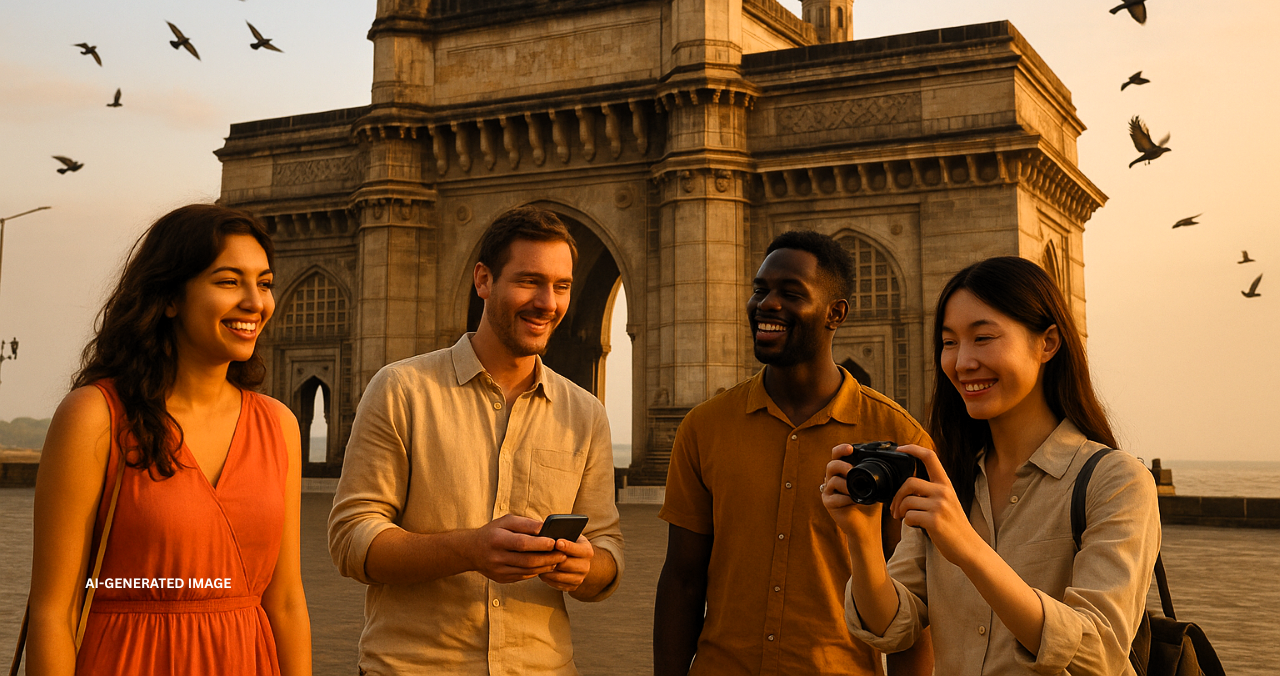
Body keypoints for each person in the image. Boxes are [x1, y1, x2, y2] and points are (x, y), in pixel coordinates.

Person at [824, 256, 1161, 675]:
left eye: (983, 338)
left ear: (1048, 343)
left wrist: (967, 547)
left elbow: (1099, 654)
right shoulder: (947, 479)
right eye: (949, 342)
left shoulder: (1115, 481)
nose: (962, 362)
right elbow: (892, 627)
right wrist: (861, 537)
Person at [328, 205, 623, 675]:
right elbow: (351, 539)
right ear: (483, 280)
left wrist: (584, 567)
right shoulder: (403, 390)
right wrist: (467, 550)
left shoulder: (585, 415)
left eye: (561, 286)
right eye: (529, 281)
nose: (548, 302)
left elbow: (608, 551)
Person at [26, 204, 311, 676]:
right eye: (228, 281)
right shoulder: (96, 416)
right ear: (171, 295)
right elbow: (52, 612)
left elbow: (285, 601)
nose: (255, 302)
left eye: (264, 282)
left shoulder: (278, 425)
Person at [655, 230, 934, 675]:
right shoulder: (705, 427)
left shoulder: (897, 437)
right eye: (760, 290)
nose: (766, 303)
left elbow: (914, 604)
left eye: (791, 293)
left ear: (834, 313)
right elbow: (682, 579)